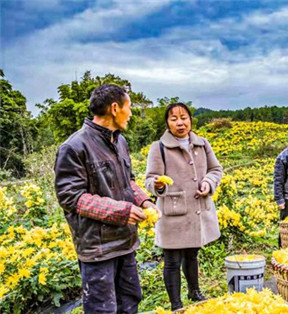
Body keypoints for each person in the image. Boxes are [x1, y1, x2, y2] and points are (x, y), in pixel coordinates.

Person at [54, 84, 157, 313]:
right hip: (98, 249)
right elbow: (72, 197)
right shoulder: (74, 147)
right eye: (128, 107)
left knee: (130, 303)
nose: (130, 113)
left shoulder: (120, 141)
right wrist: (120, 211)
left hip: (125, 242)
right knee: (103, 309)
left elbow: (128, 181)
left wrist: (144, 201)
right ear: (114, 108)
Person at [145, 102, 223, 310]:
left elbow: (216, 169)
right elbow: (150, 179)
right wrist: (157, 185)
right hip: (173, 212)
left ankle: (194, 291)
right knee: (172, 260)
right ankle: (176, 304)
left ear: (190, 119)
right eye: (174, 119)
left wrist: (208, 183)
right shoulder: (159, 147)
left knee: (192, 253)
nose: (180, 122)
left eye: (184, 117)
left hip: (197, 210)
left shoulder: (202, 143)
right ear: (167, 123)